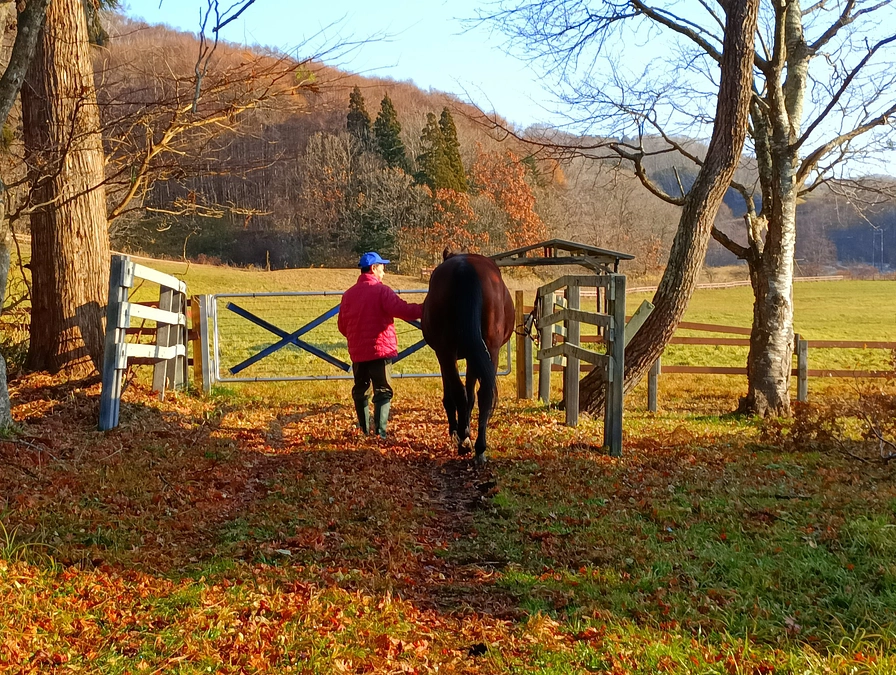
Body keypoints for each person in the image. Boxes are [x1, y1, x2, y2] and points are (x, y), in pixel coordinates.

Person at [337, 252, 423, 439]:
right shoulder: (382, 291)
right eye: (382, 268)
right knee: (382, 390)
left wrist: (357, 337)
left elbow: (342, 326)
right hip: (380, 351)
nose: (384, 272)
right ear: (374, 268)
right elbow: (403, 310)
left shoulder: (348, 295)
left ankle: (364, 430)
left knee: (361, 390)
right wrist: (426, 309)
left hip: (358, 353)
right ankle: (380, 433)